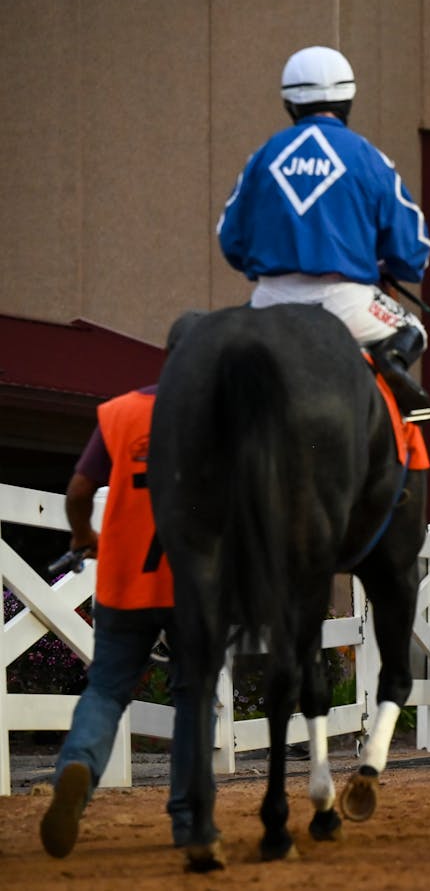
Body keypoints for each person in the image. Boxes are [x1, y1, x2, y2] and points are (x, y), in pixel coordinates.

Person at [40, 312, 203, 859]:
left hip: (124, 580)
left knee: (107, 689)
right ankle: (188, 821)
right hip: (194, 587)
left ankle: (79, 766)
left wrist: (85, 533)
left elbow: (80, 487)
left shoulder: (122, 412)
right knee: (194, 697)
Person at [217, 45, 430, 422]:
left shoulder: (264, 156)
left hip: (270, 301)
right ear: (347, 100)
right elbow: (413, 249)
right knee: (412, 328)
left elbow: (230, 239)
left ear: (290, 104)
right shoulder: (367, 157)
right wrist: (383, 260)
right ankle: (401, 407)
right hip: (344, 303)